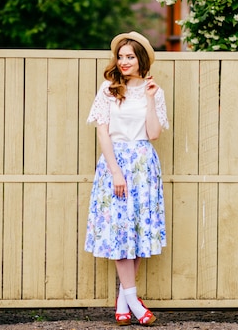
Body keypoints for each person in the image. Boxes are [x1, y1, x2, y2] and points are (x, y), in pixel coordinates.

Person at [85, 31, 169, 326]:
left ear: (141, 59)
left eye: (129, 57)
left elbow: (154, 134)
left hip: (144, 165)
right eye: (120, 57)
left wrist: (149, 99)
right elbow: (102, 132)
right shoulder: (108, 88)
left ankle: (123, 301)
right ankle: (134, 301)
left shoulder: (153, 90)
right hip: (115, 164)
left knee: (138, 230)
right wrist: (115, 171)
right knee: (120, 231)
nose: (123, 61)